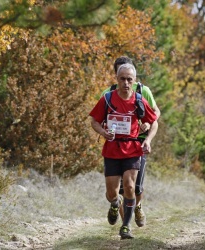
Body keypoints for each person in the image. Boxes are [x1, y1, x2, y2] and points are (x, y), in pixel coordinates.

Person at [90, 63, 158, 239]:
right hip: (112, 149)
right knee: (112, 192)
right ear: (117, 79)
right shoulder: (107, 99)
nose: (126, 83)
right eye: (123, 79)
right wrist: (103, 132)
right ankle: (114, 203)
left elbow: (154, 121)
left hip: (132, 148)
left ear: (134, 80)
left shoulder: (139, 100)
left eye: (129, 79)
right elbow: (94, 121)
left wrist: (148, 140)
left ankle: (126, 226)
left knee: (129, 185)